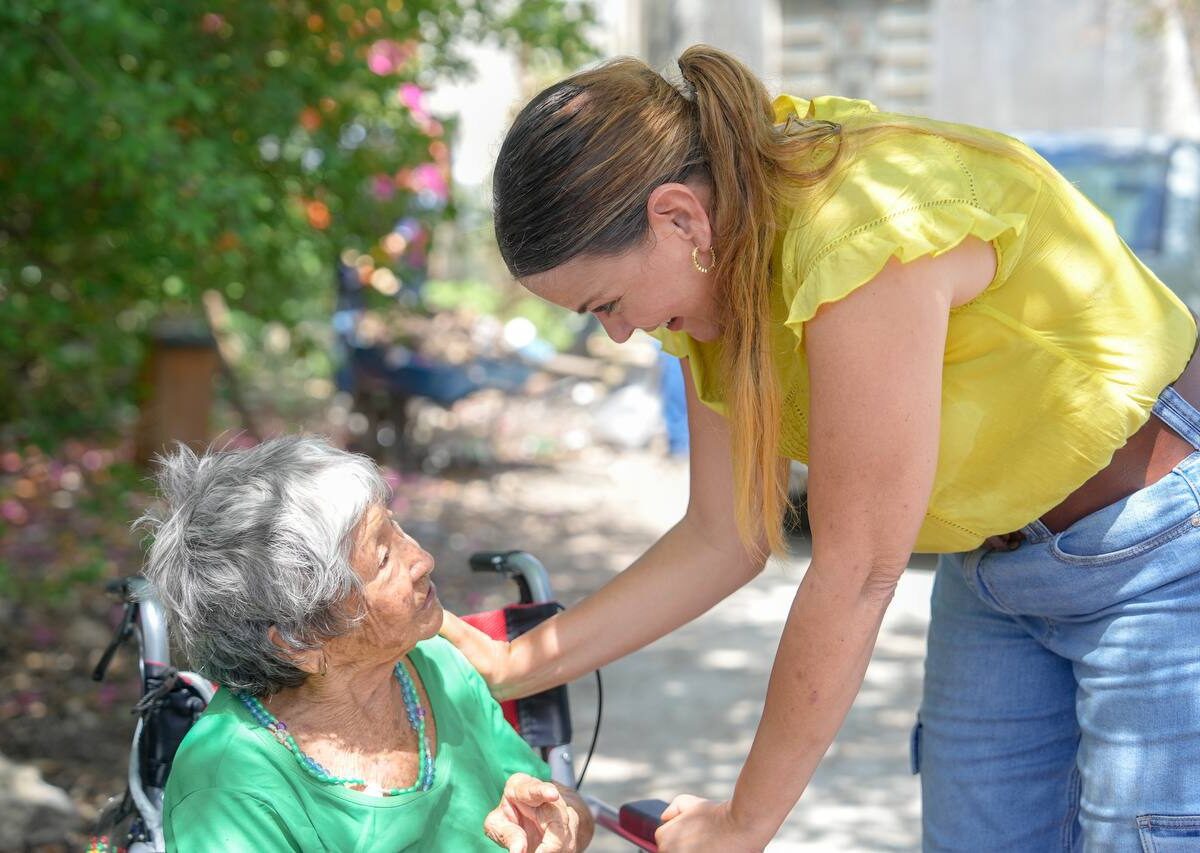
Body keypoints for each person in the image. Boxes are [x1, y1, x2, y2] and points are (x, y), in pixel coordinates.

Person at [439, 44, 1200, 851]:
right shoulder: (712, 276)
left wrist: (743, 823)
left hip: (1157, 551)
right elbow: (725, 535)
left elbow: (857, 567)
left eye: (608, 302)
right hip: (995, 567)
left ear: (677, 217)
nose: (619, 331)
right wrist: (512, 665)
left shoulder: (858, 235)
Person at [140, 435, 593, 852]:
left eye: (396, 528)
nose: (422, 559)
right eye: (383, 557)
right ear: (301, 641)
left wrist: (559, 818)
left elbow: (560, 804)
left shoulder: (435, 664)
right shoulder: (230, 783)